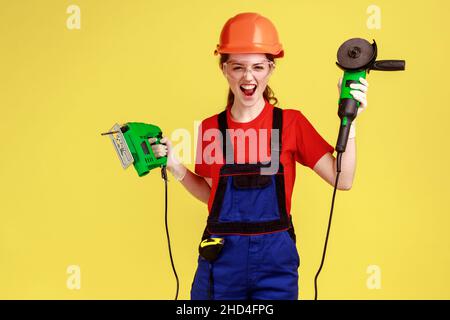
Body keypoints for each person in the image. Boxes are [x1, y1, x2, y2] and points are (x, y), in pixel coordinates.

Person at [149, 12, 368, 300]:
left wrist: (349, 123)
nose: (248, 77)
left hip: (275, 266)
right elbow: (211, 194)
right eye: (238, 67)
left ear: (271, 68)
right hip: (221, 262)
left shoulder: (291, 124)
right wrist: (176, 166)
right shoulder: (211, 128)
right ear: (224, 69)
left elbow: (344, 179)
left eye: (258, 67)